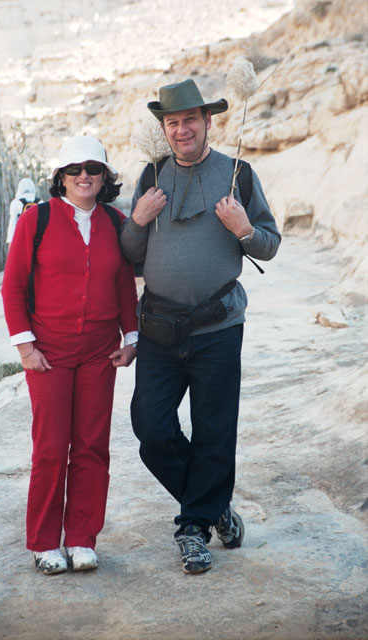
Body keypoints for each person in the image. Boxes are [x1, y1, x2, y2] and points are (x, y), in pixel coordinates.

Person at [120, 79, 281, 574]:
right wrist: (138, 220)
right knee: (150, 427)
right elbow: (128, 254)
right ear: (164, 128)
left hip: (218, 326)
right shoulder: (151, 175)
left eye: (190, 119)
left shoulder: (238, 175)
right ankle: (214, 506)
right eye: (172, 122)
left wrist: (243, 230)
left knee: (214, 431)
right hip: (159, 327)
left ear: (208, 121)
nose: (182, 129)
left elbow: (270, 244)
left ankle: (193, 528)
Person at [1, 135, 138, 575]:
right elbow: (12, 285)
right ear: (60, 177)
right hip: (49, 353)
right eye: (74, 169)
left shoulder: (116, 222)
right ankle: (44, 543)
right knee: (51, 448)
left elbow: (123, 283)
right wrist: (25, 346)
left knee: (93, 446)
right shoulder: (36, 219)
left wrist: (132, 337)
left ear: (104, 177)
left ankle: (81, 538)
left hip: (100, 353)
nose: (84, 176)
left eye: (93, 169)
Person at [6, 178, 40, 245]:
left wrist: (10, 243)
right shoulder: (40, 202)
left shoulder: (15, 203)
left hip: (21, 239)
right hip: (38, 240)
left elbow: (12, 224)